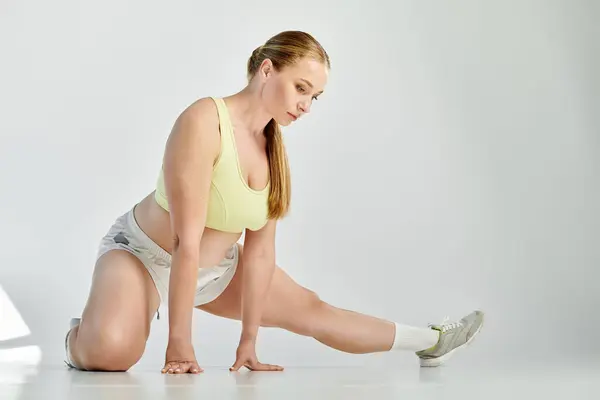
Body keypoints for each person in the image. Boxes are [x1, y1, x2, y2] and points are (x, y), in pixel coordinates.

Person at [63, 30, 484, 374]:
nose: (306, 105)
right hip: (143, 255)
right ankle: (78, 335)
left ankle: (432, 340)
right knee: (110, 354)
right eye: (301, 88)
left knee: (314, 311)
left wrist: (248, 344)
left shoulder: (272, 151)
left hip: (218, 271)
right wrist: (179, 345)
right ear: (267, 70)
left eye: (314, 96)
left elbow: (260, 255)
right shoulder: (204, 121)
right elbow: (183, 243)